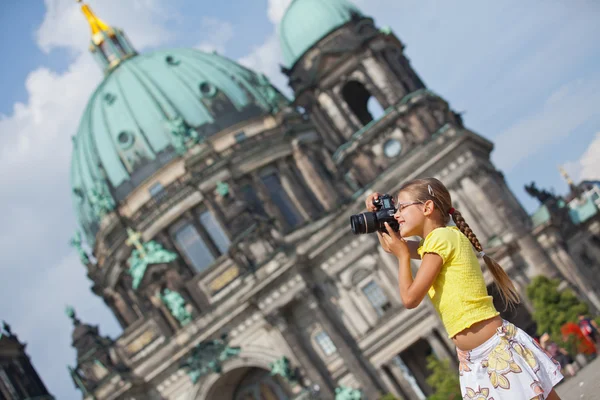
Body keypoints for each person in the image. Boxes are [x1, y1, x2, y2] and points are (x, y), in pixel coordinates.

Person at [366, 177, 564, 399]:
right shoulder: (433, 242)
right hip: (473, 358)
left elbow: (410, 298)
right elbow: (392, 247)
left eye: (401, 208)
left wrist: (404, 258)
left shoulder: (441, 238)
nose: (396, 215)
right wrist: (376, 219)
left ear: (427, 208)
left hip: (494, 348)